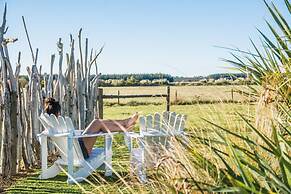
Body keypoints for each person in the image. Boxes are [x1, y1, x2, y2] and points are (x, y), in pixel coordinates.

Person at [44, 97, 138, 159]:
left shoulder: (52, 125)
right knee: (97, 122)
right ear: (57, 112)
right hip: (79, 151)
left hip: (76, 147)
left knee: (98, 122)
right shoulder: (58, 124)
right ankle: (125, 124)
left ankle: (125, 123)